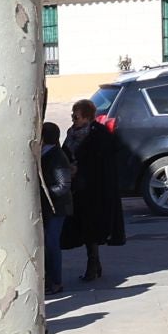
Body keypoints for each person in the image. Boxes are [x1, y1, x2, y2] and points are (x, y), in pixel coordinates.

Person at [63, 98, 125, 283]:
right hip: (77, 189)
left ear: (86, 116)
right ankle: (94, 263)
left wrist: (80, 168)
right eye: (73, 115)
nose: (73, 119)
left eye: (76, 115)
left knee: (91, 227)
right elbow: (66, 152)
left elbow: (102, 163)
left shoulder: (99, 134)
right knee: (82, 226)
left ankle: (93, 264)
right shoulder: (72, 133)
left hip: (95, 190)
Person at [40, 121, 76, 296]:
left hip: (57, 208)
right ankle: (49, 280)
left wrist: (42, 193)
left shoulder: (56, 156)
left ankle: (56, 281)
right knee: (47, 244)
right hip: (48, 208)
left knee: (52, 243)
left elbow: (63, 186)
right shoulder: (43, 154)